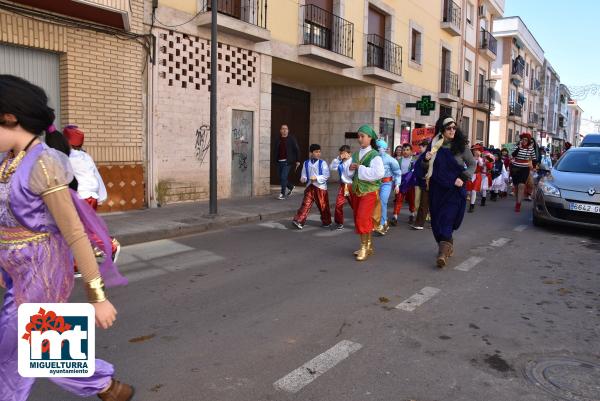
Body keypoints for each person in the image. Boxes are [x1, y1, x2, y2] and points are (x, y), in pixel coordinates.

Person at [0, 75, 133, 401]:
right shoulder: (7, 162)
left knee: (14, 349)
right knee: (35, 345)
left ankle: (100, 382)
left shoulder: (44, 164)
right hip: (17, 271)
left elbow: (74, 233)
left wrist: (97, 296)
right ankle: (102, 384)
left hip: (41, 271)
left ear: (10, 119)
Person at [423, 116, 476, 268]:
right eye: (449, 128)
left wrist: (463, 177)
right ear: (442, 130)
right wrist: (426, 160)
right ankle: (447, 245)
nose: (452, 130)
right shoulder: (433, 146)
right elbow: (424, 168)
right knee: (437, 222)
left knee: (447, 218)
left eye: (454, 128)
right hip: (436, 189)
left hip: (454, 189)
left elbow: (472, 164)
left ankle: (442, 254)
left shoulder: (461, 147)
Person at [63, 125, 121, 264]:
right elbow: (96, 175)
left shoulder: (69, 158)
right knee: (83, 228)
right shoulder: (85, 156)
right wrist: (100, 196)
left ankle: (109, 247)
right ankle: (89, 253)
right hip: (90, 197)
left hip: (81, 198)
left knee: (80, 230)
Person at [346, 125, 384, 261]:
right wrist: (350, 169)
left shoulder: (375, 155)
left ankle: (364, 247)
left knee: (362, 217)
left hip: (369, 191)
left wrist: (360, 168)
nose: (360, 139)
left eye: (363, 136)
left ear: (370, 138)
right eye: (359, 136)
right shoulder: (356, 154)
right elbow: (349, 173)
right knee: (360, 218)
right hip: (357, 190)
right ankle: (368, 245)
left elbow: (379, 173)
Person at [292, 144, 331, 229]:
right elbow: (304, 175)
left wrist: (316, 178)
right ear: (311, 152)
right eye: (316, 152)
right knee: (305, 204)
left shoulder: (322, 163)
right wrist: (303, 179)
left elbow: (327, 175)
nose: (318, 154)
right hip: (310, 186)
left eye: (319, 152)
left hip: (320, 187)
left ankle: (326, 221)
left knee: (323, 206)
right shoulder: (306, 163)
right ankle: (299, 221)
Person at [374, 139, 401, 236]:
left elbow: (398, 173)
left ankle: (383, 223)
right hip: (374, 184)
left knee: (382, 202)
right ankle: (378, 222)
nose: (378, 149)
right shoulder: (373, 157)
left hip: (386, 183)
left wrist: (397, 184)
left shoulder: (391, 160)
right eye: (376, 147)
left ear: (385, 149)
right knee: (374, 203)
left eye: (379, 147)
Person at [272, 124, 300, 200]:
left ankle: (282, 193)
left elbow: (296, 149)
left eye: (286, 129)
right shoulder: (278, 139)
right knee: (280, 177)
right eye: (283, 129)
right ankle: (290, 186)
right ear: (280, 130)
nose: (284, 130)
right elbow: (275, 150)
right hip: (279, 161)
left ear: (288, 130)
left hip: (287, 162)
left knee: (283, 177)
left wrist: (298, 160)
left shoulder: (291, 139)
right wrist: (274, 160)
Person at [391, 143, 416, 225]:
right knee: (398, 200)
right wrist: (395, 183)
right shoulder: (398, 161)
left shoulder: (414, 161)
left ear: (411, 151)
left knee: (411, 200)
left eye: (407, 150)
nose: (405, 151)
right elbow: (395, 172)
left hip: (410, 184)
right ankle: (395, 216)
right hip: (401, 183)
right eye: (404, 150)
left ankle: (412, 215)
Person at [511, 132, 536, 212]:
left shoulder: (531, 148)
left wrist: (534, 167)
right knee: (516, 186)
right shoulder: (517, 146)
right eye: (523, 139)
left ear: (528, 141)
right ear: (521, 140)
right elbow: (513, 155)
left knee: (521, 185)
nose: (524, 141)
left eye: (526, 140)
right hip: (515, 167)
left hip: (525, 168)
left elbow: (534, 158)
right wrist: (519, 147)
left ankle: (518, 204)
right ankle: (517, 201)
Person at [330, 145, 353, 230]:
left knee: (354, 205)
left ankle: (362, 220)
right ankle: (339, 222)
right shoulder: (340, 161)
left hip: (351, 186)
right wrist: (339, 158)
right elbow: (331, 167)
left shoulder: (353, 161)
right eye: (341, 153)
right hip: (343, 186)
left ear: (349, 154)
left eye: (344, 153)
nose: (342, 155)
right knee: (338, 204)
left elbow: (351, 174)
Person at [412, 139, 431, 230]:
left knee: (429, 203)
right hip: (423, 182)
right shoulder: (422, 156)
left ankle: (423, 223)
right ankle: (419, 223)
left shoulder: (430, 155)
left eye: (421, 147)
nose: (420, 149)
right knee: (423, 202)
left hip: (429, 181)